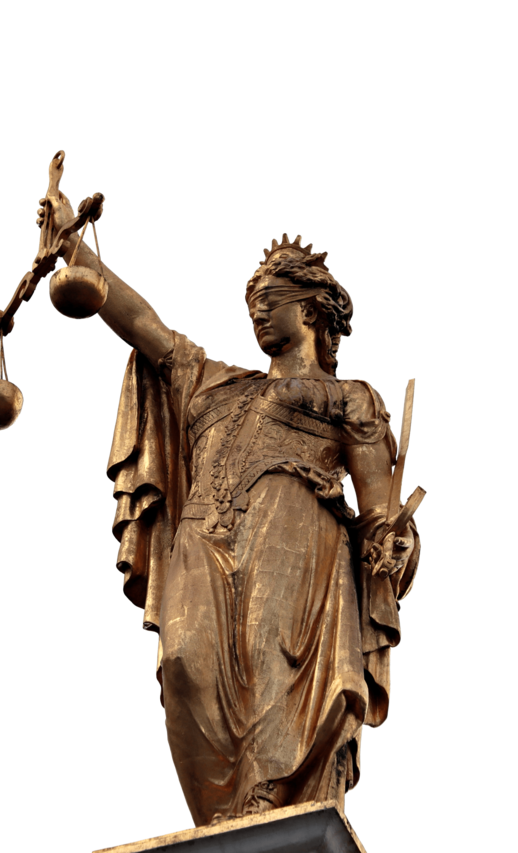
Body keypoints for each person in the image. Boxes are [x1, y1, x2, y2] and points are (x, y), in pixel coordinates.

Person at [53, 202, 421, 825]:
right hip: (203, 533)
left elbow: (381, 508)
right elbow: (144, 325)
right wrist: (75, 249)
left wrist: (392, 541)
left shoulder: (350, 397)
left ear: (309, 310)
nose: (256, 310)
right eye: (252, 301)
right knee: (182, 661)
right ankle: (221, 812)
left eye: (269, 299)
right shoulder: (214, 382)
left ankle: (269, 798)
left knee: (275, 656)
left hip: (296, 532)